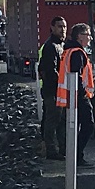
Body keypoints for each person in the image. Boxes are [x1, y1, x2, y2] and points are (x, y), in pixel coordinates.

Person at [56, 23, 95, 168]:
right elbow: (75, 75)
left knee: (75, 127)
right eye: (88, 34)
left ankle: (74, 155)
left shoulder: (69, 51)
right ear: (80, 36)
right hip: (78, 95)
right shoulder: (77, 53)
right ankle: (77, 156)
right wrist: (83, 92)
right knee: (88, 125)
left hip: (71, 95)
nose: (90, 38)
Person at [38, 16, 67, 161]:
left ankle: (62, 149)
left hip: (59, 90)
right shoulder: (51, 47)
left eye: (64, 27)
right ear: (52, 27)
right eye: (60, 26)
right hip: (53, 91)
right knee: (52, 120)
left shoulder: (60, 45)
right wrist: (62, 83)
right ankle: (51, 150)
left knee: (60, 121)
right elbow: (49, 70)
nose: (63, 30)